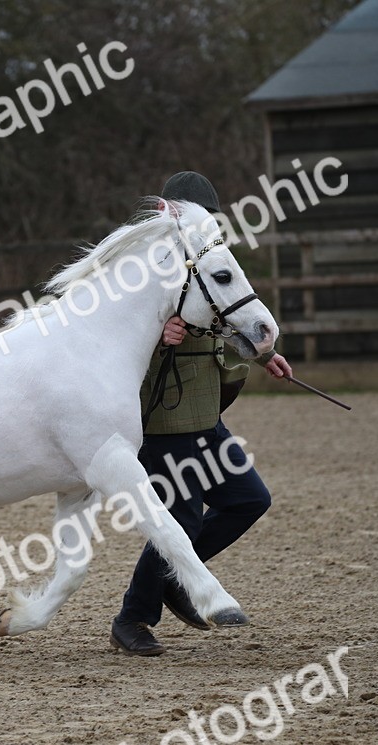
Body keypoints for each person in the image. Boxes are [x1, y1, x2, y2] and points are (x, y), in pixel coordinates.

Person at [110, 171, 293, 656]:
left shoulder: (202, 257)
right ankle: (133, 618)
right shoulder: (139, 266)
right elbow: (109, 349)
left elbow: (220, 320)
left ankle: (178, 579)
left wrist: (258, 352)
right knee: (183, 517)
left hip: (205, 416)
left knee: (249, 499)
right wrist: (156, 338)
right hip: (161, 422)